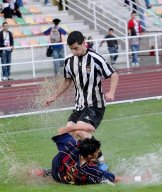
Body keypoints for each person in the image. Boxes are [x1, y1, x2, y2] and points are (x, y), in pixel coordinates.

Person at [44, 31, 119, 169]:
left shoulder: (95, 58)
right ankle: (79, 163)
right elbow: (67, 81)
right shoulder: (69, 60)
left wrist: (111, 92)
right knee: (71, 133)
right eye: (71, 49)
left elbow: (114, 75)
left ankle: (101, 161)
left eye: (76, 48)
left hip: (95, 104)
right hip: (79, 105)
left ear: (84, 42)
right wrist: (54, 96)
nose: (74, 52)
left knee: (79, 130)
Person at [32, 127, 148, 185]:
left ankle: (42, 172)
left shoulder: (71, 146)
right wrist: (141, 178)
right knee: (101, 177)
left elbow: (61, 130)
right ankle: (48, 173)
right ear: (89, 155)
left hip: (57, 171)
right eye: (97, 152)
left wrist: (77, 128)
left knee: (65, 162)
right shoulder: (91, 168)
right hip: (65, 179)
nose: (98, 153)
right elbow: (116, 179)